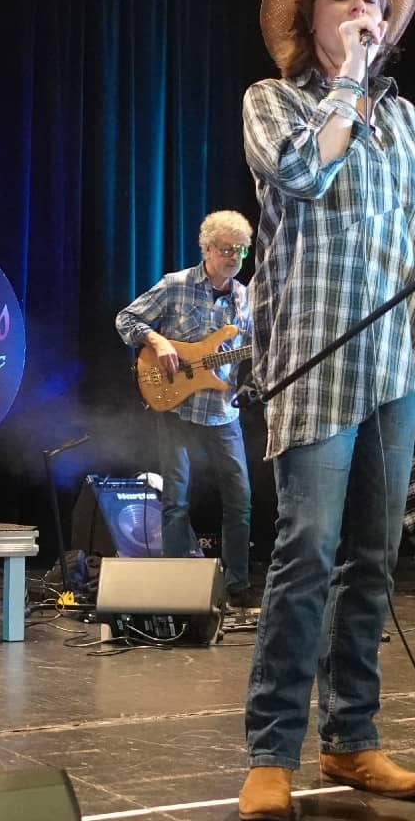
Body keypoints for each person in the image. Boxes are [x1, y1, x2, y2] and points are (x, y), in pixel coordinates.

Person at [234, 0, 415, 820]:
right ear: (309, 22)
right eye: (345, 0)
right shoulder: (274, 100)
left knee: (373, 559)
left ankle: (351, 738)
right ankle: (271, 749)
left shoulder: (408, 120)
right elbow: (302, 174)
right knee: (306, 551)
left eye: (375, 4)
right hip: (318, 355)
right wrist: (349, 85)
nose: (365, 13)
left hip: (398, 358)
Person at [114, 209, 259, 607]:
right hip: (175, 405)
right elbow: (126, 319)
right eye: (227, 249)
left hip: (222, 408)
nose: (234, 257)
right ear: (208, 248)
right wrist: (158, 343)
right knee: (176, 498)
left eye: (241, 251)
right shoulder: (175, 285)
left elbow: (248, 352)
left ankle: (237, 585)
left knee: (240, 499)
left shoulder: (245, 296)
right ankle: (178, 584)